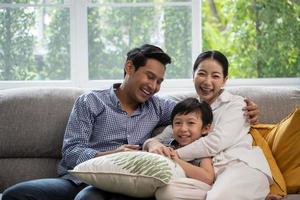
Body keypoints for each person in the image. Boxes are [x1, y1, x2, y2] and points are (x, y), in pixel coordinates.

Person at [2, 45, 259, 200]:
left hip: (123, 183)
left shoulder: (158, 106)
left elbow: (194, 116)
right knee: (15, 195)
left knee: (88, 198)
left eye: (159, 81)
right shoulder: (91, 102)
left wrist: (248, 112)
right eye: (149, 76)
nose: (153, 86)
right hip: (76, 178)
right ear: (129, 67)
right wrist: (110, 154)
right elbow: (70, 153)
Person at [144, 50, 273, 200]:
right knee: (167, 193)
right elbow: (166, 134)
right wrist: (152, 144)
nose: (207, 81)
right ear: (193, 75)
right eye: (202, 74)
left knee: (218, 197)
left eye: (215, 76)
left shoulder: (237, 105)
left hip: (239, 167)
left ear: (224, 80)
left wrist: (175, 155)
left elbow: (216, 142)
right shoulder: (189, 109)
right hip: (210, 179)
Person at [155, 97, 215, 200]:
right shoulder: (169, 144)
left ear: (205, 128)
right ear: (172, 126)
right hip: (169, 182)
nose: (183, 129)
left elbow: (208, 177)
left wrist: (176, 160)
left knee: (166, 193)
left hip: (195, 188)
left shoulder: (202, 149)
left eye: (191, 123)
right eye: (178, 123)